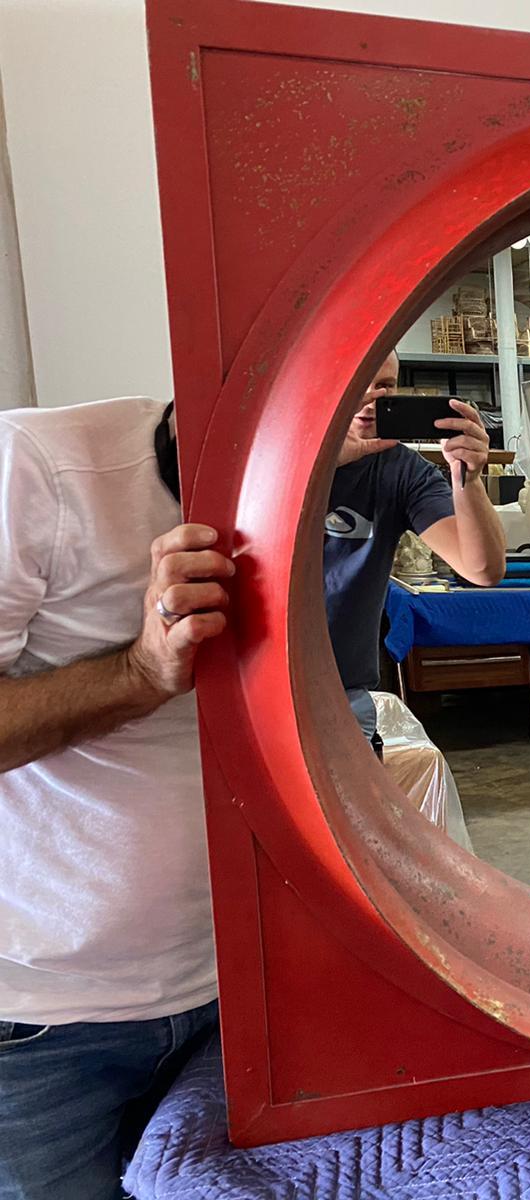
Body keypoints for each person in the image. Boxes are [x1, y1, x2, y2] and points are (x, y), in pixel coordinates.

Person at [0, 397, 232, 1199]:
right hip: (46, 1022)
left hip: (232, 987)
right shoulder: (41, 461)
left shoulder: (333, 488)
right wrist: (139, 672)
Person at [324, 351, 505, 746]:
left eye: (384, 387)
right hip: (256, 685)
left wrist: (468, 479)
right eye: (357, 384)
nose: (370, 400)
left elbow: (482, 568)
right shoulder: (271, 452)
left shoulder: (400, 470)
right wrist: (320, 465)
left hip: (343, 696)